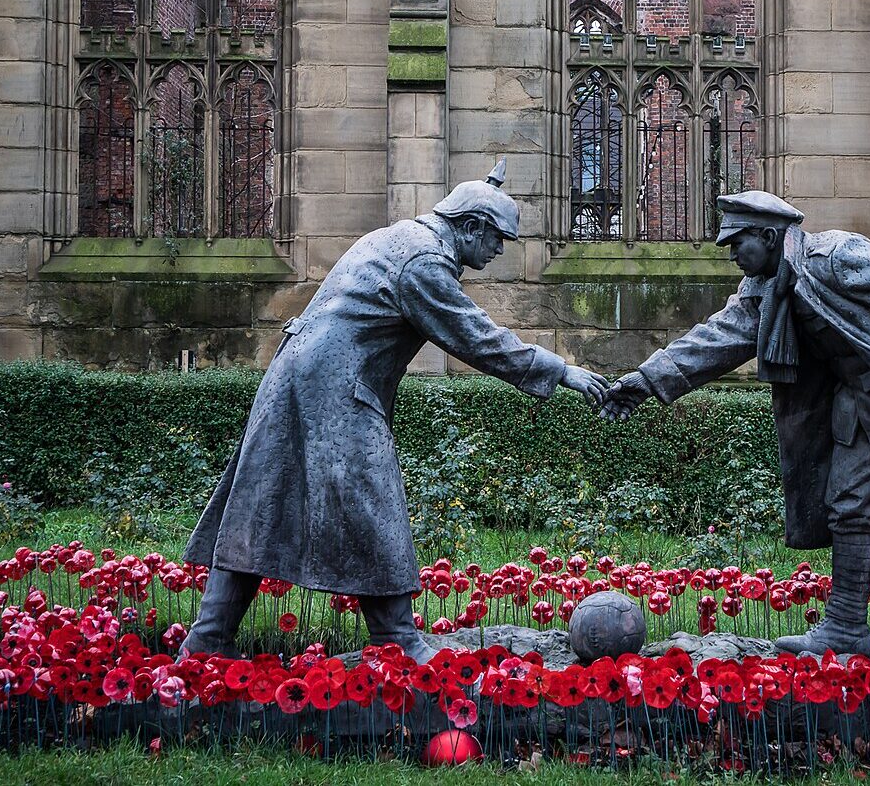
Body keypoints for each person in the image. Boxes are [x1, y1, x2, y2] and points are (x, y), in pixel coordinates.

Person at [183, 162, 608, 663]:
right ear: (470, 226)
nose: (498, 252)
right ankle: (395, 638)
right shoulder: (423, 262)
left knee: (262, 500)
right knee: (373, 500)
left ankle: (209, 638)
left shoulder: (400, 236)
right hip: (334, 389)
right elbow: (474, 337)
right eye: (497, 239)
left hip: (297, 378)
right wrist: (561, 371)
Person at [600, 191, 870, 662]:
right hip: (862, 408)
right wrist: (645, 380)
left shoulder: (835, 255)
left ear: (769, 236)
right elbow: (715, 338)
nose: (732, 256)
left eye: (737, 243)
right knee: (849, 506)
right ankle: (846, 629)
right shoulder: (765, 286)